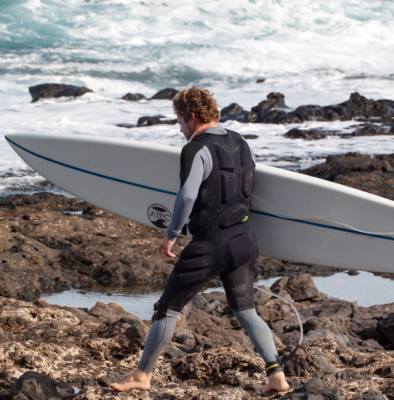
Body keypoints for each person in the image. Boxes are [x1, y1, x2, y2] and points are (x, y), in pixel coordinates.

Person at [111, 86, 289, 393]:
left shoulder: (195, 149)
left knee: (167, 309)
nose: (179, 128)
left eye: (179, 120)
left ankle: (141, 377)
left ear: (192, 118)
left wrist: (172, 235)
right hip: (244, 240)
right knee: (246, 311)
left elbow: (188, 194)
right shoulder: (240, 141)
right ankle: (277, 376)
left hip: (210, 244)